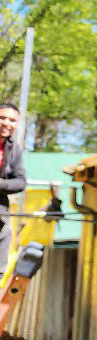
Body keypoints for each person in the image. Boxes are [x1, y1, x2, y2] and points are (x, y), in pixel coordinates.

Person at [0, 103, 26, 274]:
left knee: (5, 234)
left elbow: (20, 182)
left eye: (12, 120)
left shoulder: (14, 149)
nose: (7, 123)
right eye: (2, 118)